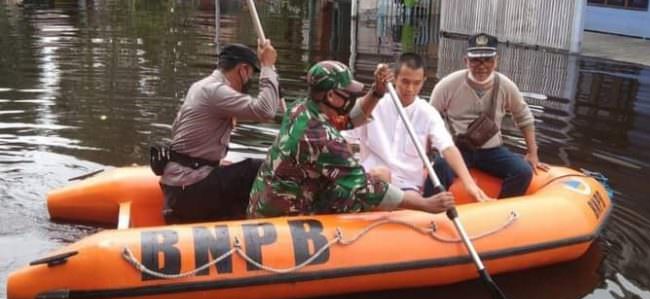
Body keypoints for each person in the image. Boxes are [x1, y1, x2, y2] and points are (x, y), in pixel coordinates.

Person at [247, 60, 454, 219]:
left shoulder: (301, 108)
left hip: (267, 199)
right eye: (346, 93)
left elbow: (348, 120)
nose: (351, 97)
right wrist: (425, 205)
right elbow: (367, 187)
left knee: (377, 175)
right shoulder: (321, 138)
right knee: (378, 180)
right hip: (286, 213)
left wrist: (377, 92)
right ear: (330, 96)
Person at [159, 40, 280, 224]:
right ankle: (266, 225)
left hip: (181, 185)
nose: (250, 82)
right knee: (259, 168)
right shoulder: (216, 91)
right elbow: (266, 111)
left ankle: (232, 218)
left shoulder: (201, 86)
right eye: (251, 75)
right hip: (190, 189)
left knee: (235, 169)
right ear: (243, 70)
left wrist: (210, 162)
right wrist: (268, 67)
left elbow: (177, 129)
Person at [344, 53, 490, 202]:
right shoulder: (373, 105)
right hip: (371, 178)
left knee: (438, 169)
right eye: (405, 82)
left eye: (416, 83)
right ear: (394, 78)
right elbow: (345, 139)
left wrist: (469, 183)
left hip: (408, 186)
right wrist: (349, 172)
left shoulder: (427, 113)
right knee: (381, 174)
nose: (410, 89)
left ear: (424, 81)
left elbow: (447, 147)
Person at [429, 33, 548, 198]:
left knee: (522, 172)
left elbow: (524, 118)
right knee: (440, 167)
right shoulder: (447, 86)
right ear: (466, 61)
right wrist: (430, 151)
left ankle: (502, 211)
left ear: (496, 61)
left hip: (492, 150)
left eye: (488, 60)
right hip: (457, 149)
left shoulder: (506, 86)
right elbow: (429, 119)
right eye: (476, 60)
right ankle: (428, 211)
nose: (482, 66)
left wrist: (532, 153)